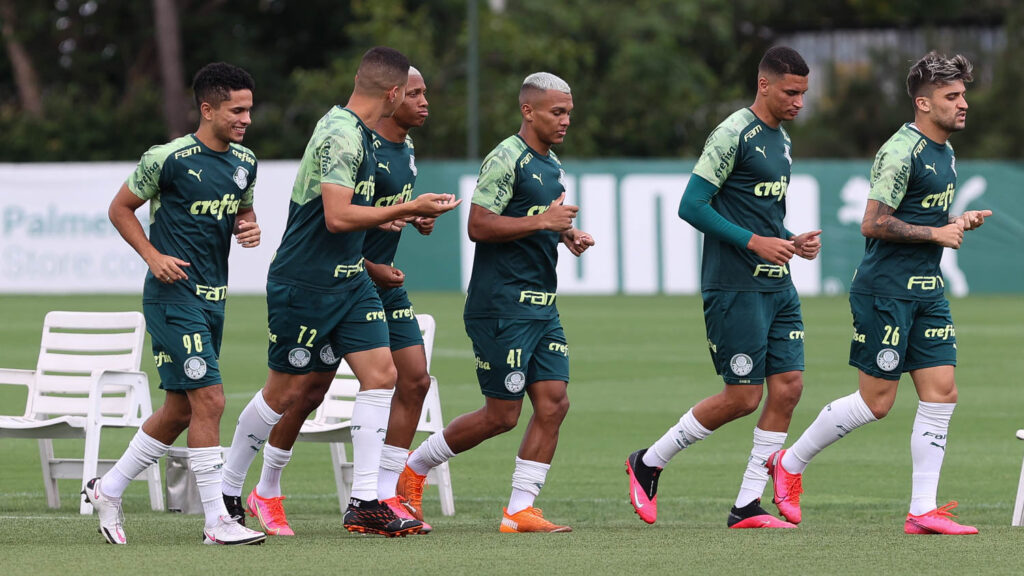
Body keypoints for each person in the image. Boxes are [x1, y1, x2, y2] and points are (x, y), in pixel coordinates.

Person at [219, 47, 459, 538]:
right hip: (305, 281)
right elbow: (337, 216)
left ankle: (366, 500)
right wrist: (409, 204)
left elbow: (363, 212)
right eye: (410, 93)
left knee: (383, 374)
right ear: (392, 95)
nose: (418, 101)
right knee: (286, 391)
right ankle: (229, 485)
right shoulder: (341, 135)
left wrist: (406, 213)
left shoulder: (371, 136)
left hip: (349, 277)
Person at [766, 51, 990, 535]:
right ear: (924, 104)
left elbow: (925, 220)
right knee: (876, 402)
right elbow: (874, 223)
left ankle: (922, 510)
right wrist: (935, 235)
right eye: (952, 97)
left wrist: (955, 222)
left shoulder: (946, 153)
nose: (963, 104)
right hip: (884, 292)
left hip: (927, 291)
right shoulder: (900, 150)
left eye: (963, 95)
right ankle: (790, 463)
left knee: (942, 392)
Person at [625, 46, 822, 529]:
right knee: (742, 397)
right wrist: (754, 242)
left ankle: (747, 505)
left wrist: (790, 241)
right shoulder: (734, 133)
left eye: (804, 94)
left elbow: (760, 210)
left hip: (778, 285)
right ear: (765, 85)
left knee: (789, 388)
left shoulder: (782, 140)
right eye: (791, 92)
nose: (799, 102)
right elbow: (691, 206)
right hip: (734, 286)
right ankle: (648, 462)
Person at [395, 71, 595, 534]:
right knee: (502, 415)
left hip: (542, 305)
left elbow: (539, 220)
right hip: (501, 304)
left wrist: (566, 234)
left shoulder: (552, 165)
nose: (565, 120)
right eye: (556, 112)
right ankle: (415, 468)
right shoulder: (507, 158)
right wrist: (545, 221)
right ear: (528, 111)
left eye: (568, 112)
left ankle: (518, 510)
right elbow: (479, 226)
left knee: (554, 402)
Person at [82, 62, 267, 546]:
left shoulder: (245, 162)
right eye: (237, 109)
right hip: (172, 296)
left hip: (213, 299)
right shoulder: (167, 158)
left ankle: (108, 488)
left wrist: (249, 228)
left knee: (180, 411)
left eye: (249, 109)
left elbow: (242, 212)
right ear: (207, 109)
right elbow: (119, 208)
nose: (246, 118)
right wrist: (152, 255)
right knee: (212, 400)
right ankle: (216, 522)